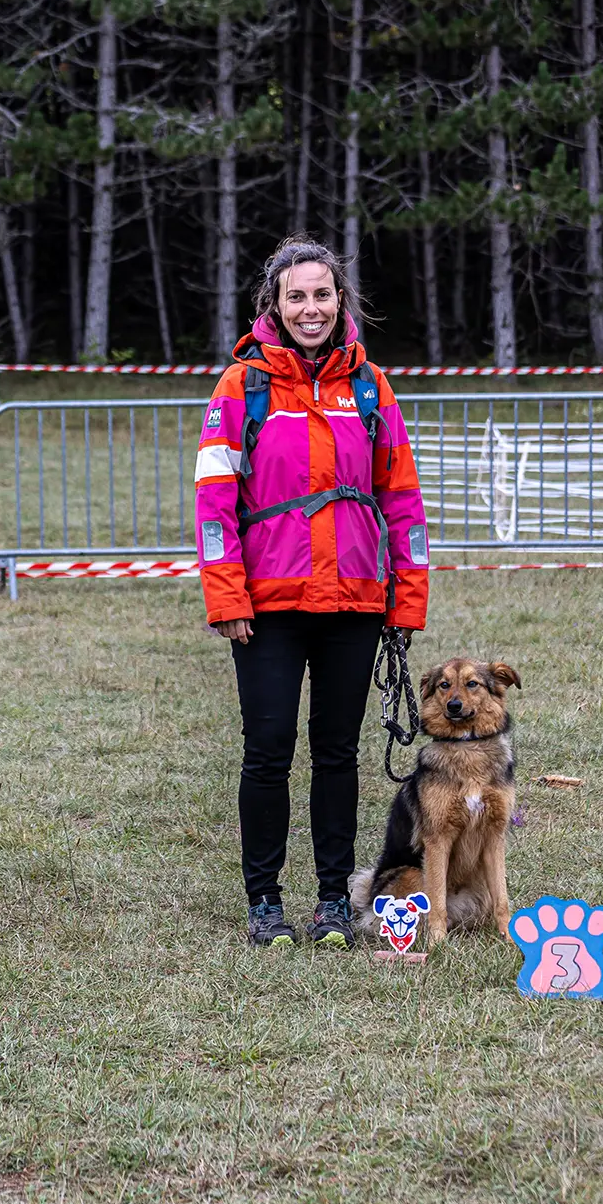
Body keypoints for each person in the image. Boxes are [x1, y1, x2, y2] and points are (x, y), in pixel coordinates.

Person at [194, 237, 429, 949]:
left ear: (340, 300)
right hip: (266, 608)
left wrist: (407, 598)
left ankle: (333, 899)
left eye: (322, 294)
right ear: (275, 304)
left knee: (336, 753)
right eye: (296, 296)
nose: (310, 308)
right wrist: (227, 598)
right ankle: (264, 901)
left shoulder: (371, 387)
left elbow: (404, 502)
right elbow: (213, 503)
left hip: (355, 602)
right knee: (266, 750)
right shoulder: (242, 387)